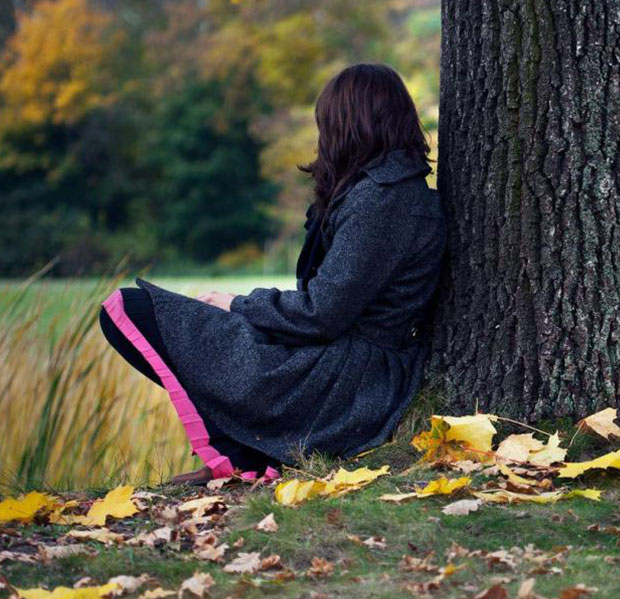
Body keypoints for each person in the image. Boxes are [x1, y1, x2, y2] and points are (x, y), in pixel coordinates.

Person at [98, 64, 445, 484]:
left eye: (326, 123)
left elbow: (323, 312)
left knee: (134, 309)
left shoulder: (385, 200)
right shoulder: (380, 190)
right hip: (335, 359)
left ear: (348, 124)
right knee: (153, 314)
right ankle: (248, 450)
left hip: (349, 380)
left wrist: (238, 304)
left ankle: (243, 454)